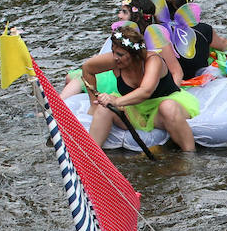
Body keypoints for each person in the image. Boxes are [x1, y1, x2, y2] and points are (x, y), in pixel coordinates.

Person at [81, 24, 199, 152]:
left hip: (162, 109)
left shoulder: (153, 60)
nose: (115, 57)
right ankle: (90, 157)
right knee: (104, 108)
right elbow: (87, 69)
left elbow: (145, 91)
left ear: (135, 55)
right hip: (134, 109)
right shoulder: (115, 60)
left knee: (168, 107)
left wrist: (116, 101)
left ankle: (189, 156)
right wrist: (94, 101)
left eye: (120, 54)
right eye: (113, 51)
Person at [60, 0, 185, 98]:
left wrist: (170, 94)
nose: (119, 15)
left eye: (124, 12)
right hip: (117, 75)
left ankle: (55, 112)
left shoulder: (155, 38)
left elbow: (176, 72)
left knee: (78, 82)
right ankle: (55, 111)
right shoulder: (121, 37)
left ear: (136, 16)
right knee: (72, 77)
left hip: (136, 82)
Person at [155, 0, 227, 81]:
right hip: (199, 79)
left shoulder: (156, 34)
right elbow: (224, 45)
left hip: (174, 81)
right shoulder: (203, 29)